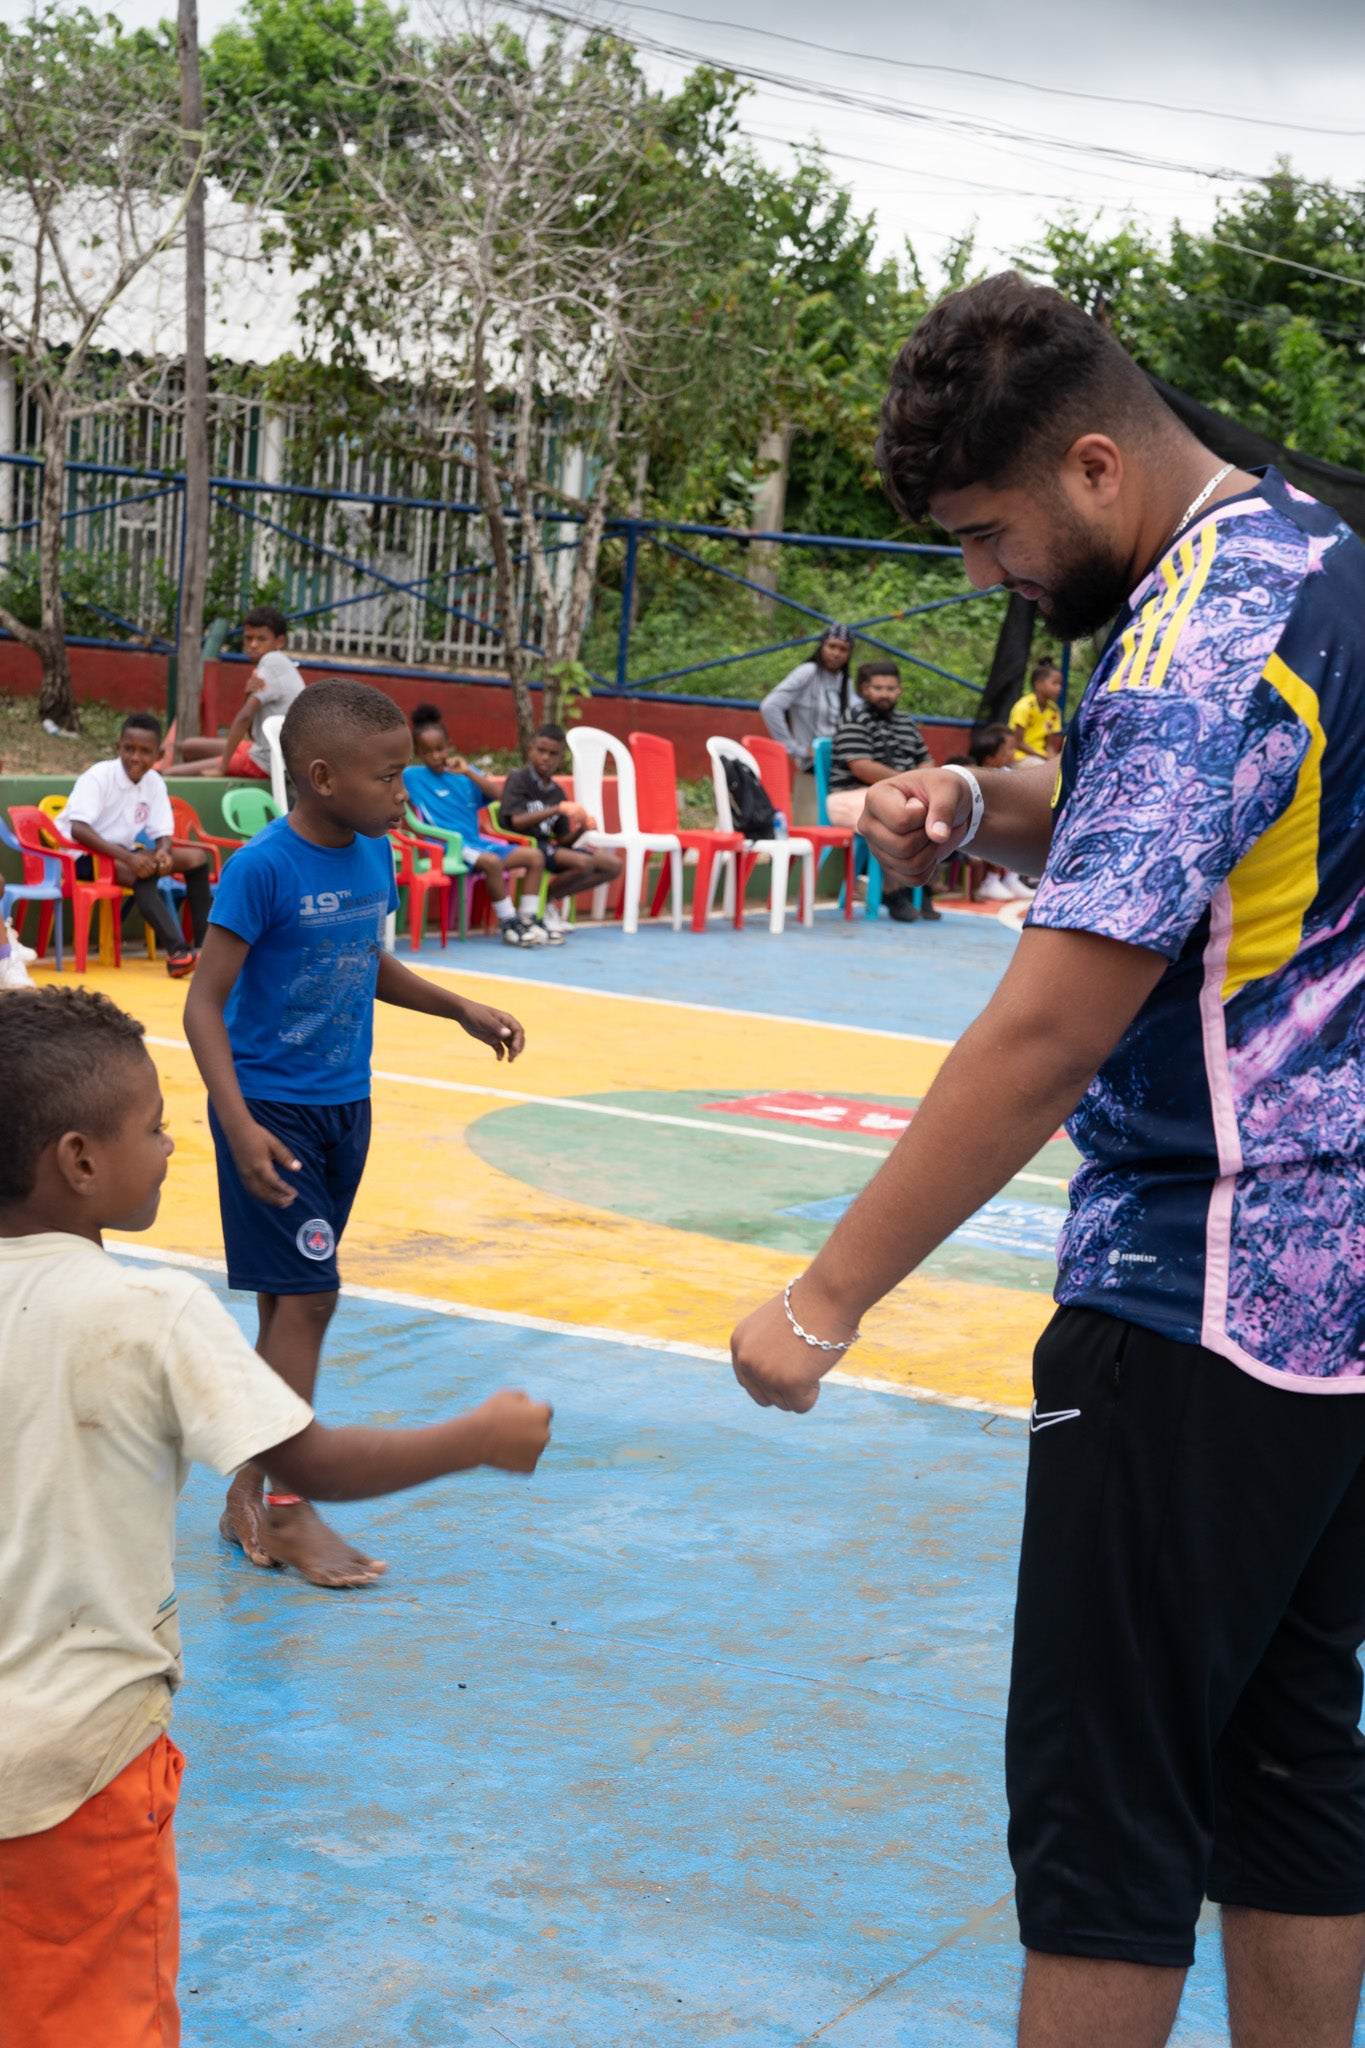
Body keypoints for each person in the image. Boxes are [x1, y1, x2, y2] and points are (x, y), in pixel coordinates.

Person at [730, 271, 1365, 2048]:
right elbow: (1191, 806)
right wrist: (981, 796)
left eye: (991, 536)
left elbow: (1049, 1029)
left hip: (1193, 1289)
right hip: (1335, 1293)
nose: (984, 581)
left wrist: (825, 1293)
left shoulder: (1188, 651)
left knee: (1107, 1815)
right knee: (1288, 1755)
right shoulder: (1307, 555)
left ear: (1094, 466)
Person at [0, 982, 552, 2046]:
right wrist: (477, 1437)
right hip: (75, 1775)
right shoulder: (148, 1309)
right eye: (154, 1126)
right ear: (78, 1159)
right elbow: (313, 1461)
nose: (169, 1145)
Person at [183, 677, 528, 1590]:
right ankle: (294, 1511)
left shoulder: (370, 856)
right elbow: (202, 1005)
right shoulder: (262, 868)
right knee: (308, 1301)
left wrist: (455, 1005)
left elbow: (363, 962)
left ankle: (244, 1495)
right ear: (324, 777)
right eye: (388, 779)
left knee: (284, 1304)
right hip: (273, 1113)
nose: (402, 795)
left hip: (346, 1108)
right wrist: (239, 1121)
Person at [58, 710, 210, 977]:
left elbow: (162, 832)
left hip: (120, 853)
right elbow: (79, 829)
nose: (135, 757)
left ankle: (206, 949)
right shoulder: (98, 776)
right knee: (141, 870)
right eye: (129, 749)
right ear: (118, 747)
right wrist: (130, 858)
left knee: (196, 859)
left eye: (144, 751)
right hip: (80, 856)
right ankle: (177, 952)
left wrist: (163, 852)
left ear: (160, 755)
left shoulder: (154, 783)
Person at [406, 704, 548, 948]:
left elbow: (501, 797)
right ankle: (509, 923)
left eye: (441, 749)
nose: (437, 756)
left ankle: (528, 919)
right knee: (491, 862)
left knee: (535, 857)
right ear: (418, 752)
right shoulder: (411, 776)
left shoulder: (466, 772)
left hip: (476, 844)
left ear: (450, 745)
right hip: (449, 847)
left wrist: (469, 774)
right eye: (428, 752)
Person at [827, 659, 939, 925]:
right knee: (890, 818)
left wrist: (919, 783)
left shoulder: (905, 722)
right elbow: (861, 766)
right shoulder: (854, 717)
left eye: (890, 688)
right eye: (878, 688)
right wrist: (909, 783)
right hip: (850, 795)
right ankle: (892, 892)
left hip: (900, 793)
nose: (884, 694)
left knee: (939, 814)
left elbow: (926, 760)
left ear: (899, 690)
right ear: (865, 689)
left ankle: (922, 889)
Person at [499, 723, 624, 938]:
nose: (546, 757)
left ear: (560, 758)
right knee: (584, 863)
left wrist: (582, 829)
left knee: (613, 865)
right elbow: (517, 822)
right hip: (525, 846)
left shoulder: (557, 791)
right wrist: (556, 809)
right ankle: (542, 905)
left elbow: (564, 841)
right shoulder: (518, 779)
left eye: (553, 753)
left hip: (549, 848)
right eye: (541, 751)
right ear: (531, 750)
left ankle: (547, 900)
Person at [177, 605, 306, 779]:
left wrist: (222, 768)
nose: (253, 645)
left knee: (172, 774)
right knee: (189, 746)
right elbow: (253, 734)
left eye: (261, 639)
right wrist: (248, 696)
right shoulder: (276, 666)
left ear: (279, 642)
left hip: (268, 761)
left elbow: (244, 718)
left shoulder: (272, 661)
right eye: (248, 638)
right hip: (263, 749)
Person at [760, 625, 855, 825]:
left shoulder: (846, 683)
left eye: (843, 649)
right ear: (822, 646)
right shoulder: (808, 673)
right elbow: (770, 707)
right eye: (832, 646)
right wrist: (795, 748)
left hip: (840, 765)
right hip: (814, 765)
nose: (836, 653)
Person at [1009, 659, 1064, 761]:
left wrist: (1052, 758)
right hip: (1019, 756)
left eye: (1060, 684)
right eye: (1055, 683)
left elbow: (1049, 745)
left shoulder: (1054, 710)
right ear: (1038, 684)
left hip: (1041, 757)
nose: (1059, 688)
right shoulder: (1024, 706)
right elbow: (1017, 742)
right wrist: (1043, 756)